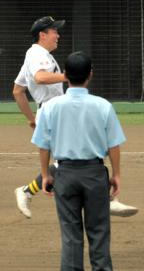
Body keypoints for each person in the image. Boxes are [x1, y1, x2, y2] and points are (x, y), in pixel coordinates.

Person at [13, 16, 137, 219]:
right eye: (54, 31)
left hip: (51, 111)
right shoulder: (37, 54)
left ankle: (26, 191)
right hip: (55, 111)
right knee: (77, 156)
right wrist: (68, 76)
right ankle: (106, 200)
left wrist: (32, 118)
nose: (58, 35)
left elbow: (18, 90)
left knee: (68, 160)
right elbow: (40, 78)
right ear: (42, 35)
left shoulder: (34, 54)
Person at [32, 51, 126, 271]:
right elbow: (114, 145)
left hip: (65, 174)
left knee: (71, 234)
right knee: (99, 231)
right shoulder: (103, 106)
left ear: (65, 75)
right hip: (94, 173)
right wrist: (117, 175)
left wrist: (46, 175)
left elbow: (43, 145)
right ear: (90, 74)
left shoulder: (51, 106)